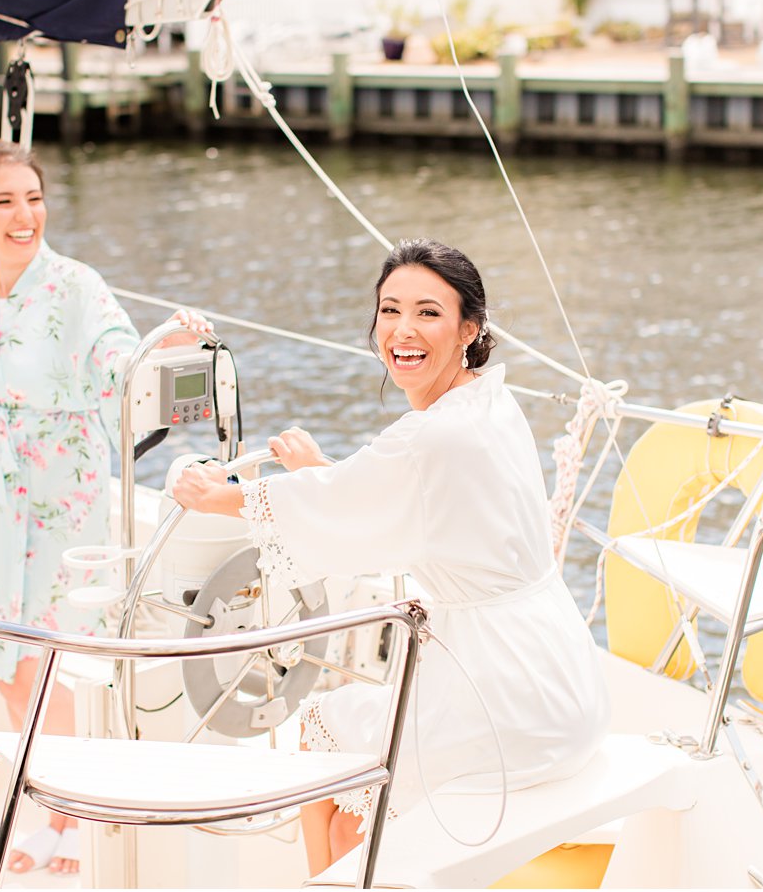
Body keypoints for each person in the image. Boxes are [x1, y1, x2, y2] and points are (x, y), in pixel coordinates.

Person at [172, 238, 612, 876]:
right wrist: (322, 474)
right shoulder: (490, 403)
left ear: (470, 328)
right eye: (390, 310)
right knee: (348, 767)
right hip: (559, 674)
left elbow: (371, 492)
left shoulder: (433, 435)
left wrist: (223, 495)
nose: (403, 330)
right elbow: (403, 506)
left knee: (327, 729)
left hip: (506, 693)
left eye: (429, 313)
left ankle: (333, 880)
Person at [0, 140, 210, 875]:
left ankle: (66, 806)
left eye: (33, 197)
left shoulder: (76, 286)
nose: (25, 214)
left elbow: (119, 358)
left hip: (61, 484)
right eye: (4, 201)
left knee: (60, 646)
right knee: (0, 645)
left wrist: (163, 345)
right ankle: (51, 795)